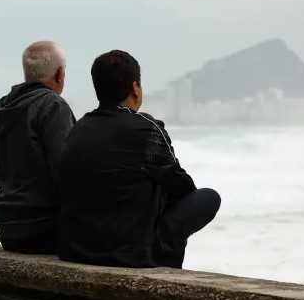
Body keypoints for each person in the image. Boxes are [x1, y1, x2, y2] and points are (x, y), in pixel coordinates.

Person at [57, 50, 221, 269]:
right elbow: (181, 186)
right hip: (131, 254)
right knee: (208, 197)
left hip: (76, 250)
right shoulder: (146, 129)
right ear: (135, 88)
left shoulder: (78, 129)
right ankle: (163, 259)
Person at [0, 41, 76, 254]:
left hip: (6, 227)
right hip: (44, 228)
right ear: (59, 74)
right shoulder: (53, 105)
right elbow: (65, 171)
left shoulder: (4, 107)